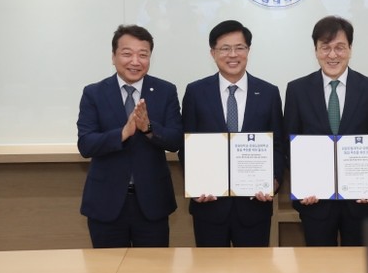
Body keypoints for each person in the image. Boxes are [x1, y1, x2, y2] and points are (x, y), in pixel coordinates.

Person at [284, 15, 368, 246]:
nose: (332, 55)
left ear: (350, 49)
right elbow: (289, 144)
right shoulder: (297, 90)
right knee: (318, 265)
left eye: (340, 47)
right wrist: (304, 185)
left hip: (361, 202)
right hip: (314, 202)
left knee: (359, 265)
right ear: (315, 50)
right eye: (325, 47)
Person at [77, 24, 184, 248]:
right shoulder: (94, 93)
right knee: (108, 268)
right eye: (127, 54)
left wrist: (149, 128)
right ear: (113, 56)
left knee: (154, 268)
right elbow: (86, 144)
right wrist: (122, 133)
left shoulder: (165, 91)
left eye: (143, 55)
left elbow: (176, 140)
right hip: (106, 202)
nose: (135, 61)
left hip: (152, 202)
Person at [179, 20, 284, 247]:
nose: (233, 55)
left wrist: (273, 181)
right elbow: (186, 145)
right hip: (209, 206)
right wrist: (195, 185)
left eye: (239, 48)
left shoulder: (269, 93)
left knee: (254, 268)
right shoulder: (195, 92)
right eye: (225, 48)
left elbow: (278, 145)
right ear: (213, 53)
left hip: (254, 207)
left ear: (248, 50)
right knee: (210, 268)